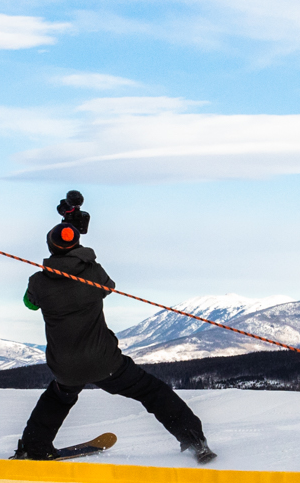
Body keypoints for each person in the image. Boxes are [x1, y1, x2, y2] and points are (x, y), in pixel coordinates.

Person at [16, 198, 215, 463]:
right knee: (153, 393)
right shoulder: (93, 274)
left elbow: (29, 304)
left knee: (59, 397)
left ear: (50, 247)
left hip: (65, 366)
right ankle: (194, 441)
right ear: (75, 245)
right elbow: (107, 286)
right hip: (105, 361)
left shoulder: (38, 282)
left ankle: (33, 448)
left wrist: (66, 238)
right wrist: (77, 245)